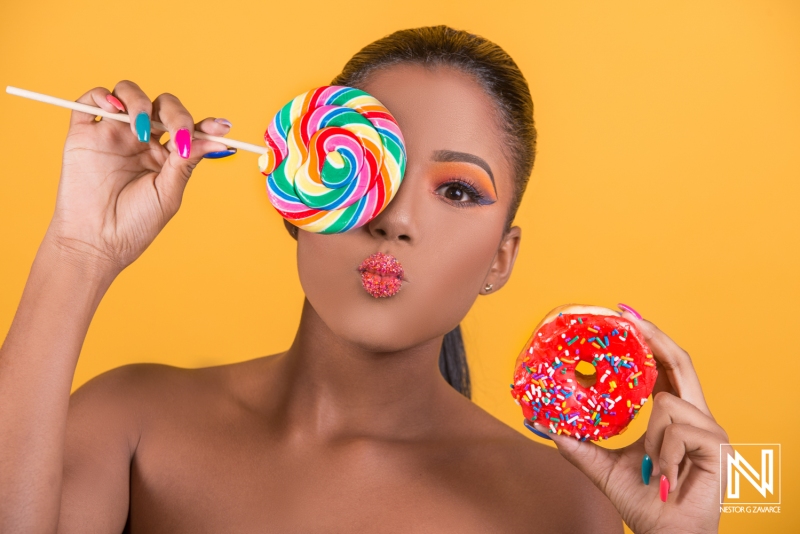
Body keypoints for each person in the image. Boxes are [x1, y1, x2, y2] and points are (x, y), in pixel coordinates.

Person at [0, 25, 728, 533]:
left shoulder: (559, 503)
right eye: (362, 160)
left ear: (499, 260)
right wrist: (78, 249)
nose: (396, 219)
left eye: (456, 191)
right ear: (297, 194)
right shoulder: (135, 421)